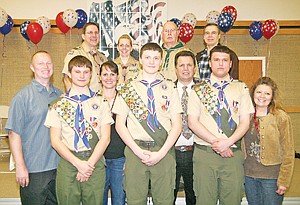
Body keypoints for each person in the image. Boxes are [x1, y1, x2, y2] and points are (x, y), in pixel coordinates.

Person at [113, 42, 182, 204]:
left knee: (164, 200)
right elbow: (119, 125)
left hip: (163, 150)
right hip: (135, 150)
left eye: (156, 58)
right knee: (135, 200)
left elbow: (177, 125)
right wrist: (137, 151)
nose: (152, 62)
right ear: (141, 60)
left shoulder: (170, 87)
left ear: (161, 61)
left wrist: (161, 153)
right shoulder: (127, 88)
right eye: (148, 57)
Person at [188, 45, 254, 205]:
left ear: (230, 64)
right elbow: (192, 122)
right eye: (216, 60)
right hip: (205, 154)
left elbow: (245, 121)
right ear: (210, 63)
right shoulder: (198, 89)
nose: (220, 64)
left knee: (232, 200)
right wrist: (217, 143)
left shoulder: (241, 88)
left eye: (225, 60)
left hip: (233, 154)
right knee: (204, 200)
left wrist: (227, 143)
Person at [44, 55, 113, 205]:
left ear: (91, 74)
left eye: (86, 72)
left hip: (94, 163)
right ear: (69, 74)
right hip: (69, 163)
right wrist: (78, 164)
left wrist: (88, 165)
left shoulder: (101, 102)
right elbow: (55, 141)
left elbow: (105, 137)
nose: (82, 76)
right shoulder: (59, 105)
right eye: (77, 71)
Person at [5, 51, 63, 205]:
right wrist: (20, 166)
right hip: (34, 169)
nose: (46, 66)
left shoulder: (61, 96)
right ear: (32, 68)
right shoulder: (22, 97)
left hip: (59, 167)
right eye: (40, 63)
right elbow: (13, 133)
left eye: (49, 63)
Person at [243, 77, 294, 205]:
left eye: (267, 93)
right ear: (253, 93)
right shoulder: (245, 115)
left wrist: (284, 180)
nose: (262, 96)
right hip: (249, 175)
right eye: (259, 92)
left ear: (272, 97)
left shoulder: (281, 117)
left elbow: (288, 152)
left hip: (272, 178)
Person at [99, 61, 126, 205]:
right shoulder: (93, 100)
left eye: (112, 74)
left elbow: (131, 132)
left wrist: (129, 159)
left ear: (117, 77)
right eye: (105, 74)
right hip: (99, 160)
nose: (108, 78)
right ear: (99, 77)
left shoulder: (125, 100)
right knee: (98, 200)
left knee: (119, 200)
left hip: (120, 159)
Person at [173, 50, 198, 205]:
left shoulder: (203, 90)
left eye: (189, 64)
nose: (185, 68)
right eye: (181, 65)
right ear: (175, 68)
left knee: (194, 194)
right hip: (171, 151)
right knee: (169, 193)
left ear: (195, 68)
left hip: (196, 150)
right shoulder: (166, 90)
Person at [62, 22, 107, 92]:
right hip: (83, 99)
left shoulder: (103, 58)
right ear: (83, 36)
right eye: (90, 33)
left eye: (96, 32)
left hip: (101, 99)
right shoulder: (75, 54)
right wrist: (74, 99)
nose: (94, 35)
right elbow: (67, 79)